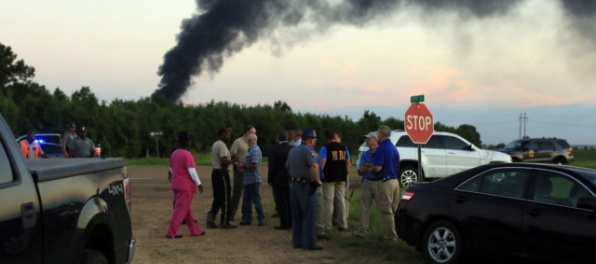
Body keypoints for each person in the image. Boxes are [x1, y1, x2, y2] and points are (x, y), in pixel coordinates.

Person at [286, 128, 323, 250]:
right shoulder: (308, 151)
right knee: (309, 215)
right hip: (305, 186)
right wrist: (317, 180)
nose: (316, 141)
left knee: (297, 216)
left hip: (294, 185)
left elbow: (288, 167)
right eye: (315, 139)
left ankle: (297, 242)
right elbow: (314, 165)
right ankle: (309, 244)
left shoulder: (293, 151)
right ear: (311, 139)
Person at [361, 125, 400, 241]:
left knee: (385, 210)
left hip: (385, 182)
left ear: (381, 134)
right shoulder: (393, 147)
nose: (377, 135)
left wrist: (367, 169)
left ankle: (390, 236)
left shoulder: (382, 148)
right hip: (395, 181)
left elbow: (378, 168)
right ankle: (395, 232)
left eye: (378, 133)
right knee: (393, 208)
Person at [165, 131, 205, 239]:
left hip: (176, 184)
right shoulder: (187, 154)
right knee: (181, 209)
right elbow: (192, 171)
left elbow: (171, 169)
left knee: (186, 210)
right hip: (186, 186)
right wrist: (199, 183)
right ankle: (171, 232)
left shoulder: (174, 153)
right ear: (187, 142)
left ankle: (195, 230)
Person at [319, 130, 351, 233]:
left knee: (329, 201)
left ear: (327, 138)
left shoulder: (325, 148)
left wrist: (320, 175)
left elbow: (322, 162)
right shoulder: (344, 147)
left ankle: (327, 225)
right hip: (341, 177)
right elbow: (348, 162)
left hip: (329, 178)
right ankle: (343, 223)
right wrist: (345, 173)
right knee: (340, 200)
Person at [207, 128, 237, 229]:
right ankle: (225, 221)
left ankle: (210, 218)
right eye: (228, 135)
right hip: (221, 173)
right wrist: (233, 160)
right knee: (225, 197)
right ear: (223, 134)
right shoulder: (222, 145)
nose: (229, 137)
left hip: (215, 173)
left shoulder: (216, 144)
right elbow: (223, 161)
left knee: (218, 197)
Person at [236, 133, 265, 226]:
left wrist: (243, 165)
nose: (247, 143)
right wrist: (241, 165)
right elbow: (249, 164)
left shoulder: (255, 150)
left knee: (255, 200)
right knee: (247, 200)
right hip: (248, 180)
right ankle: (248, 218)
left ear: (253, 140)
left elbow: (255, 165)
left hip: (253, 180)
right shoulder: (251, 151)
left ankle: (261, 218)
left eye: (248, 141)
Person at [355, 132, 380, 238]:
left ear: (375, 139)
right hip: (367, 181)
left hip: (379, 182)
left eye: (368, 139)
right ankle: (362, 231)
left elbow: (379, 168)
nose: (366, 141)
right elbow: (360, 170)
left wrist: (368, 166)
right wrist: (371, 167)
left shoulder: (381, 152)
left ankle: (384, 232)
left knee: (382, 208)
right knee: (364, 207)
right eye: (366, 139)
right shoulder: (365, 154)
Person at [268, 130, 293, 230]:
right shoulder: (292, 148)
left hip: (278, 179)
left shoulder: (275, 149)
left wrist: (270, 179)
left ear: (278, 138)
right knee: (289, 200)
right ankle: (291, 221)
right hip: (290, 178)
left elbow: (272, 166)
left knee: (281, 202)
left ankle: (284, 222)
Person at [230, 125, 256, 221]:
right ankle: (231, 213)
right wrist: (237, 164)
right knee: (237, 192)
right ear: (247, 132)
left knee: (248, 193)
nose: (254, 134)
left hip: (249, 171)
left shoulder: (253, 143)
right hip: (240, 171)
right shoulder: (238, 142)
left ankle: (246, 214)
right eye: (253, 132)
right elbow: (232, 155)